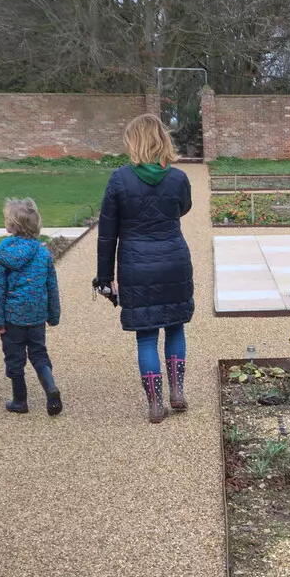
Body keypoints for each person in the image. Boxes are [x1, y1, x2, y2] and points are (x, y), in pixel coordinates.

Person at [93, 113, 194, 423]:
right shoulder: (178, 178)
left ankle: (155, 404)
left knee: (146, 337)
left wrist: (104, 277)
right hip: (174, 261)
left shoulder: (119, 179)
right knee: (175, 326)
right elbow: (184, 208)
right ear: (161, 140)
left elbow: (107, 233)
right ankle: (177, 391)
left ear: (133, 142)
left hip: (136, 266)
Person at [0, 197, 62, 415]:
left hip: (13, 316)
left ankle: (20, 401)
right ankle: (50, 388)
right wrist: (54, 314)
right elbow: (52, 286)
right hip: (37, 314)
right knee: (39, 353)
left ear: (12, 225)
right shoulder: (42, 253)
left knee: (14, 357)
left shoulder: (3, 254)